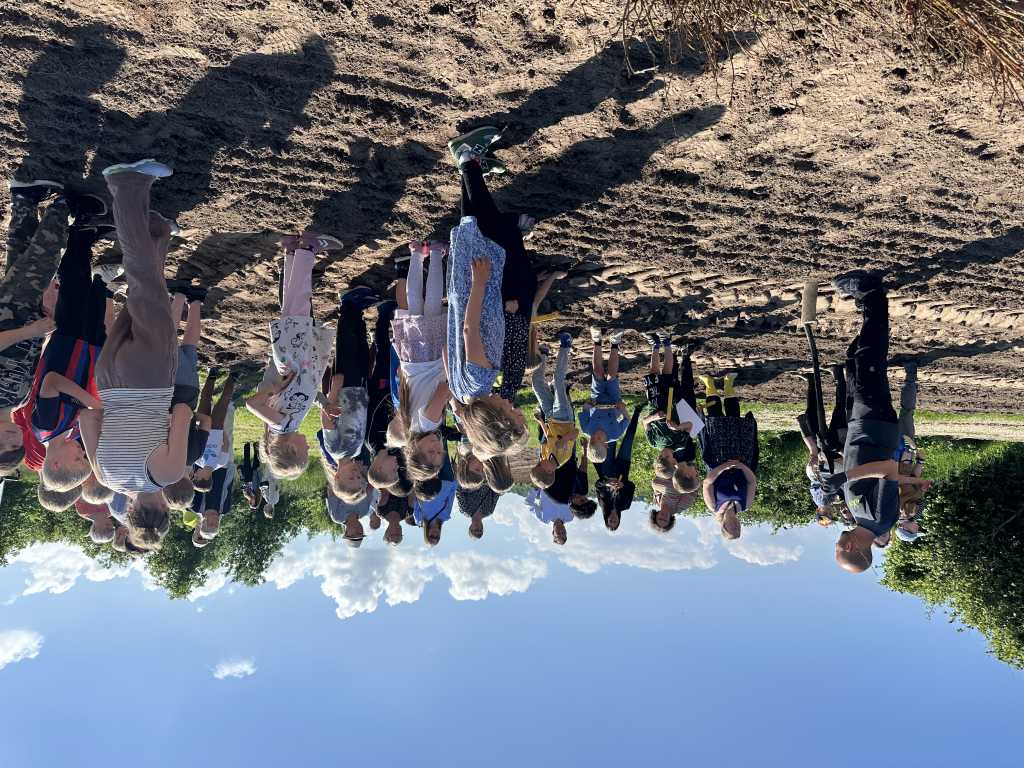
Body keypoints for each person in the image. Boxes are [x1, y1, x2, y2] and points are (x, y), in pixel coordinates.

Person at [78, 159, 191, 553]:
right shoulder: (105, 478)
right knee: (141, 297)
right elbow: (87, 418)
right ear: (129, 514)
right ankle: (157, 231)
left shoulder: (167, 474)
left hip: (151, 378)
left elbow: (182, 414)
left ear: (164, 510)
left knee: (145, 287)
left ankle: (126, 186)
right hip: (110, 380)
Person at [825, 271, 930, 573]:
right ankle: (872, 294)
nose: (836, 545)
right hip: (875, 426)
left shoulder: (861, 517)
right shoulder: (881, 519)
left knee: (859, 361)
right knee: (869, 359)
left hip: (863, 426)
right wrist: (844, 477)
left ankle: (869, 308)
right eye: (838, 551)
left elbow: (865, 472)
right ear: (851, 548)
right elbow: (888, 470)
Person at [446, 129, 528, 459]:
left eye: (511, 412)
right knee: (473, 228)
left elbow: (470, 331)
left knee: (489, 231)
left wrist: (480, 284)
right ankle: (473, 166)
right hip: (463, 295)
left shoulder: (481, 379)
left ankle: (467, 156)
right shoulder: (463, 394)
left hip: (476, 291)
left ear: (496, 415)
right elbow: (448, 353)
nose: (512, 405)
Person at [246, 231, 340, 480]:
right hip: (297, 356)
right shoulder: (289, 423)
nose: (309, 447)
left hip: (294, 356)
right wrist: (324, 404)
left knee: (298, 303)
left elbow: (251, 404)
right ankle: (291, 251)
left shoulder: (280, 425)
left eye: (305, 452)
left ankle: (307, 247)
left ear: (291, 449)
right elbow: (303, 394)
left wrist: (274, 388)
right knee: (292, 307)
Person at [1, 179, 71, 474]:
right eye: (15, 446)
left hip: (9, 313)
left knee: (42, 261)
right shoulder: (18, 402)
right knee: (21, 256)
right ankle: (24, 199)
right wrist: (42, 334)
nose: (11, 440)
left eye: (3, 446)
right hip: (28, 319)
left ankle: (65, 205)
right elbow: (28, 362)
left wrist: (29, 331)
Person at [393, 240, 450, 482]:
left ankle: (436, 253)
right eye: (439, 453)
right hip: (410, 356)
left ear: (415, 449)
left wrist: (460, 399)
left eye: (430, 452)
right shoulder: (409, 426)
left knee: (433, 303)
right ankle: (416, 254)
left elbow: (444, 390)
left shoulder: (428, 423)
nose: (437, 447)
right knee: (414, 304)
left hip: (429, 355)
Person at [698, 371, 758, 540]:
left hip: (717, 458)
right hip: (742, 457)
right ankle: (728, 383)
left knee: (714, 418)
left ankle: (709, 384)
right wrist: (740, 466)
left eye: (733, 528)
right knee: (734, 418)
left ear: (724, 526)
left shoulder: (713, 506)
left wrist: (725, 466)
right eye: (738, 528)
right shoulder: (745, 504)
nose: (737, 526)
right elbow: (752, 481)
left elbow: (707, 482)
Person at [642, 336, 701, 501]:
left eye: (666, 457)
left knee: (655, 373)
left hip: (655, 403)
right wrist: (677, 427)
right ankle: (670, 346)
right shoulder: (680, 444)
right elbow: (691, 426)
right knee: (671, 376)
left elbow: (644, 422)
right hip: (674, 404)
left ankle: (658, 346)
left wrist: (654, 417)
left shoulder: (654, 442)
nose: (672, 457)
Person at [796, 366, 848, 523]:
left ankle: (816, 380)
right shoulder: (836, 498)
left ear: (819, 511)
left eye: (825, 515)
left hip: (825, 452)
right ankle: (834, 376)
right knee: (836, 410)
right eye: (830, 516)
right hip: (833, 450)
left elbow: (816, 475)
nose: (828, 513)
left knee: (818, 412)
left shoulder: (823, 499)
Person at [529, 333, 579, 489]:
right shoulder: (564, 456)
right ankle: (566, 345)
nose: (538, 462)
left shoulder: (544, 456)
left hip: (550, 417)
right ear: (549, 470)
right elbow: (576, 432)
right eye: (539, 465)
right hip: (564, 417)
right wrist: (564, 440)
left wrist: (540, 422)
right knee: (558, 381)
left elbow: (548, 437)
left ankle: (543, 354)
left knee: (536, 384)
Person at [579, 327, 629, 465]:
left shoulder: (586, 429)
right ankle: (615, 343)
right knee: (612, 375)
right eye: (599, 438)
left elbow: (584, 409)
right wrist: (622, 409)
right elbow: (626, 419)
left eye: (593, 438)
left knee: (598, 373)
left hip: (597, 398)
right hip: (614, 401)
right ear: (606, 445)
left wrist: (588, 405)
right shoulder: (615, 434)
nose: (596, 435)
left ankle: (597, 340)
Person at [594, 405, 642, 531]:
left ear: (606, 518)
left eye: (610, 521)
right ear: (619, 520)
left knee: (610, 439)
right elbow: (631, 486)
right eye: (615, 522)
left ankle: (611, 411)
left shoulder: (603, 504)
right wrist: (623, 484)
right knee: (629, 439)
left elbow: (597, 485)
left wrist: (607, 483)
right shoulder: (625, 505)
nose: (613, 519)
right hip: (623, 466)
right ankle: (637, 411)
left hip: (607, 468)